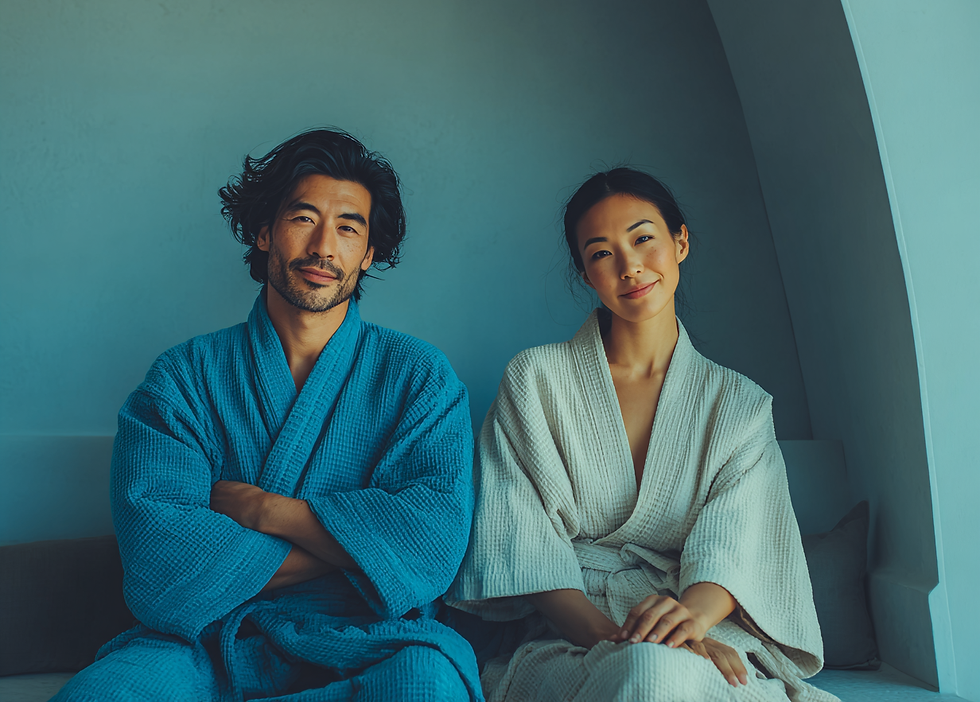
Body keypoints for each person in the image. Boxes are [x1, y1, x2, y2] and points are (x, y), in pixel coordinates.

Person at [55, 129, 481, 702]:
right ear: (264, 232)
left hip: (372, 639)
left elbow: (430, 544)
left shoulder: (420, 378)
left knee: (423, 684)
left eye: (349, 228)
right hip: (207, 641)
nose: (324, 248)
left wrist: (265, 510)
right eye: (304, 218)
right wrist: (360, 551)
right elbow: (161, 567)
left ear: (369, 253)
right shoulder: (182, 377)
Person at [446, 168, 837, 702]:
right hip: (574, 634)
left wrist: (688, 628)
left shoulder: (738, 404)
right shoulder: (535, 380)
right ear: (586, 273)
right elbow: (524, 546)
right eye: (602, 253)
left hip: (698, 626)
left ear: (680, 242)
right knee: (653, 675)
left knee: (691, 678)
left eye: (643, 238)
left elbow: (735, 546)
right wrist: (632, 643)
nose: (629, 266)